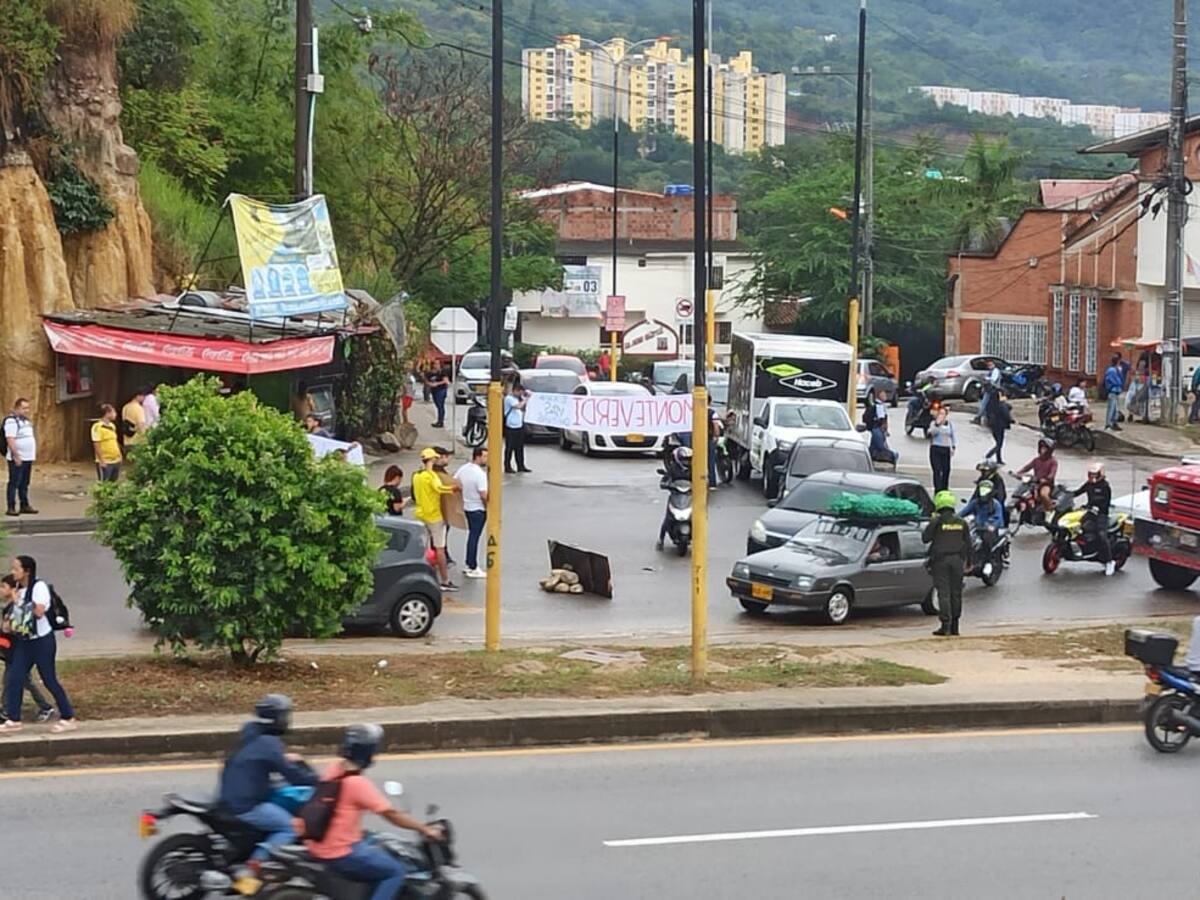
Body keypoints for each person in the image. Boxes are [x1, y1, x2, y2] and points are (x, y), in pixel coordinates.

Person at [303, 724, 442, 900]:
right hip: (340, 852)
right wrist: (424, 829)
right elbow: (391, 814)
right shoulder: (357, 784)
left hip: (320, 844)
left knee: (374, 841)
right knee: (394, 871)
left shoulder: (335, 769)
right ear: (367, 753)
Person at [218, 695, 317, 864]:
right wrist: (316, 780)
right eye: (284, 716)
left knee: (279, 791)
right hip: (246, 805)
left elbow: (260, 760)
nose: (287, 721)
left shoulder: (250, 732)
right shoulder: (269, 744)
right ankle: (254, 868)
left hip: (230, 796)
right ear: (276, 718)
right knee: (291, 827)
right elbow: (292, 774)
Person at [0, 556, 77, 734]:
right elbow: (18, 617)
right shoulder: (20, 590)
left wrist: (17, 600)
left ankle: (68, 717)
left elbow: (39, 612)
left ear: (27, 571)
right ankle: (13, 719)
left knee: (49, 679)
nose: (13, 572)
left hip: (42, 641)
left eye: (16, 569)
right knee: (15, 677)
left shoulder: (38, 587)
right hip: (25, 641)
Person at [0, 575, 54, 724]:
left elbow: (18, 627)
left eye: (3, 587)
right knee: (13, 680)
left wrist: (7, 627)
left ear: (14, 590)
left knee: (17, 680)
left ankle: (45, 707)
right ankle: (7, 709)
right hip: (12, 652)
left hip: (19, 651)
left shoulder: (17, 607)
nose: (0, 590)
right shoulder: (9, 607)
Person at [923, 491, 971, 637]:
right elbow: (968, 543)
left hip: (941, 561)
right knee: (956, 593)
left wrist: (932, 523)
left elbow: (925, 538)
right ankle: (955, 626)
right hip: (957, 561)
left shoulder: (937, 521)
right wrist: (969, 562)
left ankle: (945, 626)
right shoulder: (961, 522)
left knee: (944, 593)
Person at [412, 448, 459, 592]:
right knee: (440, 549)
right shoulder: (431, 475)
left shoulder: (416, 476)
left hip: (420, 514)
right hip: (434, 516)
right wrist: (453, 489)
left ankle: (419, 577)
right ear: (432, 460)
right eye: (436, 458)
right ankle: (445, 580)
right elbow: (439, 489)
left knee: (422, 548)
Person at [1074, 461, 1115, 576]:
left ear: (1100, 474)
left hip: (1101, 514)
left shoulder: (1105, 486)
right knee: (1076, 526)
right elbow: (1077, 492)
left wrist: (1097, 507)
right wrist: (1064, 494)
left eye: (1095, 474)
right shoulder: (1089, 484)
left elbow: (1106, 502)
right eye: (1091, 474)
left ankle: (1109, 562)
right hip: (1090, 512)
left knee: (1101, 535)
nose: (1092, 476)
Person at [454, 446, 489, 579]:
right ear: (478, 456)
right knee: (475, 536)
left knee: (472, 536)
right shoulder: (480, 474)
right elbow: (483, 494)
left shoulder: (464, 469)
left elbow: (455, 481)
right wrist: (488, 507)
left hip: (468, 507)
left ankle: (469, 564)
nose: (487, 459)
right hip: (478, 509)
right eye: (485, 456)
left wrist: (465, 491)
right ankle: (472, 566)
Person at [3, 397, 36, 517]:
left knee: (24, 483)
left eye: (27, 408)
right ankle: (11, 507)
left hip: (28, 457)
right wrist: (16, 455)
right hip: (18, 457)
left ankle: (24, 504)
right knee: (14, 482)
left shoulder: (26, 421)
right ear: (17, 408)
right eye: (24, 408)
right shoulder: (11, 421)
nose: (26, 410)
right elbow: (10, 439)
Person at [657, 446, 693, 551]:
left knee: (699, 517)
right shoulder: (673, 468)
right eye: (684, 459)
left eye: (689, 459)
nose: (687, 462)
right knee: (668, 518)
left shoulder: (695, 468)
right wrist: (665, 484)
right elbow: (665, 479)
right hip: (676, 495)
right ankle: (661, 539)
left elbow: (702, 479)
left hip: (689, 496)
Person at [959, 480, 1005, 558]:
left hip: (989, 530)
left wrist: (992, 525)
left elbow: (998, 518)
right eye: (982, 490)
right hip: (977, 528)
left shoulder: (995, 504)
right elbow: (963, 512)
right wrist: (953, 519)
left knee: (986, 542)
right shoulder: (975, 503)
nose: (983, 494)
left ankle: (988, 560)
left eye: (985, 491)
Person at [1016, 437, 1059, 513]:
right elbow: (1027, 467)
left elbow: (1052, 474)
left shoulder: (1053, 461)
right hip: (1035, 483)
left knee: (1043, 494)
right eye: (1042, 447)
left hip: (1046, 484)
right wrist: (1018, 473)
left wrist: (1046, 479)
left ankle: (1049, 509)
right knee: (1023, 492)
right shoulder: (1036, 460)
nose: (1043, 450)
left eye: (1045, 448)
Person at [503, 382, 531, 474]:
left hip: (519, 426)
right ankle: (507, 466)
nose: (520, 394)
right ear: (515, 391)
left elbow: (523, 407)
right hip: (511, 427)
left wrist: (526, 395)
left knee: (519, 448)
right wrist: (526, 399)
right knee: (510, 448)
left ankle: (520, 466)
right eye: (519, 392)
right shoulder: (509, 398)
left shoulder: (519, 398)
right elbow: (518, 406)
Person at [864, 390, 897, 465]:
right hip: (877, 428)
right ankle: (893, 456)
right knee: (880, 446)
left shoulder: (878, 405)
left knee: (873, 446)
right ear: (879, 396)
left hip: (875, 428)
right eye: (883, 395)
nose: (885, 397)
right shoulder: (879, 406)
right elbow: (881, 418)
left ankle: (868, 459)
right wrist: (884, 428)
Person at [928, 407, 955, 493]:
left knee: (946, 470)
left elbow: (952, 436)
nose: (941, 416)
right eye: (940, 414)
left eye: (943, 414)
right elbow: (932, 433)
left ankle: (944, 488)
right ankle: (938, 489)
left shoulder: (950, 424)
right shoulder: (933, 423)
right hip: (936, 448)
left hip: (946, 449)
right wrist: (937, 424)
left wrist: (953, 447)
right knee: (937, 470)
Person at [984, 389, 1012, 466]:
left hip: (992, 426)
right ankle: (990, 455)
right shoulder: (1001, 404)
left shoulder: (990, 404)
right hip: (1000, 425)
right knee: (999, 443)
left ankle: (998, 459)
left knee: (998, 442)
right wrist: (1010, 420)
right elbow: (1006, 414)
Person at [1104, 355, 1125, 431]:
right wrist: (1118, 384)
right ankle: (1109, 424)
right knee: (1112, 408)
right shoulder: (1112, 370)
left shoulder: (1115, 370)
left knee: (1115, 409)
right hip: (1113, 391)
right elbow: (1113, 380)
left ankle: (1113, 422)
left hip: (1115, 391)